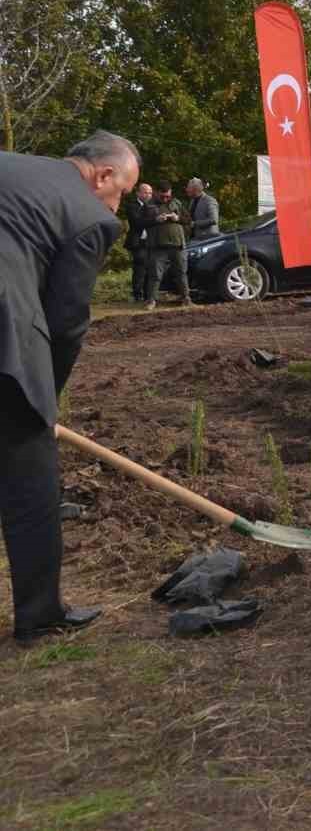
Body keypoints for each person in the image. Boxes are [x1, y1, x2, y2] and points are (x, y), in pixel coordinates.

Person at [1, 130, 139, 641]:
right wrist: (44, 402)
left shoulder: (12, 166)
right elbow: (65, 324)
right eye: (122, 190)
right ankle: (41, 615)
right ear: (102, 175)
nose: (117, 202)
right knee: (29, 480)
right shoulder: (90, 216)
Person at [141, 181, 191, 309]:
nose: (165, 198)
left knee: (181, 273)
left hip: (177, 244)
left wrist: (178, 218)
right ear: (156, 192)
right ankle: (151, 301)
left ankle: (186, 298)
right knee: (155, 275)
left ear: (171, 193)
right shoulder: (149, 205)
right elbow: (140, 223)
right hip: (157, 246)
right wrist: (155, 220)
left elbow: (188, 220)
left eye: (168, 196)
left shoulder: (177, 203)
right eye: (163, 196)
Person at [125, 182, 154, 303]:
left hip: (151, 242)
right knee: (140, 267)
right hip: (138, 242)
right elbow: (137, 222)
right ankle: (137, 294)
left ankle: (148, 294)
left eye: (150, 193)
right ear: (138, 193)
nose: (148, 195)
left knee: (150, 267)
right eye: (146, 192)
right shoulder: (132, 206)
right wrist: (154, 219)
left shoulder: (153, 206)